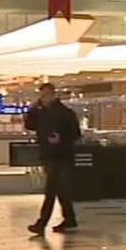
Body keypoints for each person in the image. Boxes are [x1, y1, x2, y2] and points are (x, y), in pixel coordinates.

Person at [25, 82, 81, 234]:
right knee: (60, 189)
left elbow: (75, 134)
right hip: (48, 154)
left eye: (46, 95)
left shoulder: (65, 113)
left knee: (51, 189)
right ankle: (70, 220)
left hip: (61, 155)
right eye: (42, 96)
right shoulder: (41, 113)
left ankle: (41, 223)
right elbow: (30, 125)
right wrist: (32, 110)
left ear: (54, 95)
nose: (43, 98)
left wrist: (61, 138)